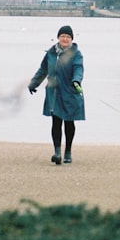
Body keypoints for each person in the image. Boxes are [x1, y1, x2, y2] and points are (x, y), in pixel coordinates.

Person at [28, 25, 85, 165]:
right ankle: (57, 152)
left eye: (68, 37)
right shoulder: (51, 53)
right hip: (54, 92)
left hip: (71, 91)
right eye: (62, 36)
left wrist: (76, 81)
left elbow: (78, 69)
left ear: (71, 39)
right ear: (58, 38)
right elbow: (43, 69)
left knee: (69, 123)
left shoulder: (76, 54)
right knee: (56, 122)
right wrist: (33, 83)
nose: (65, 39)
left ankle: (68, 152)